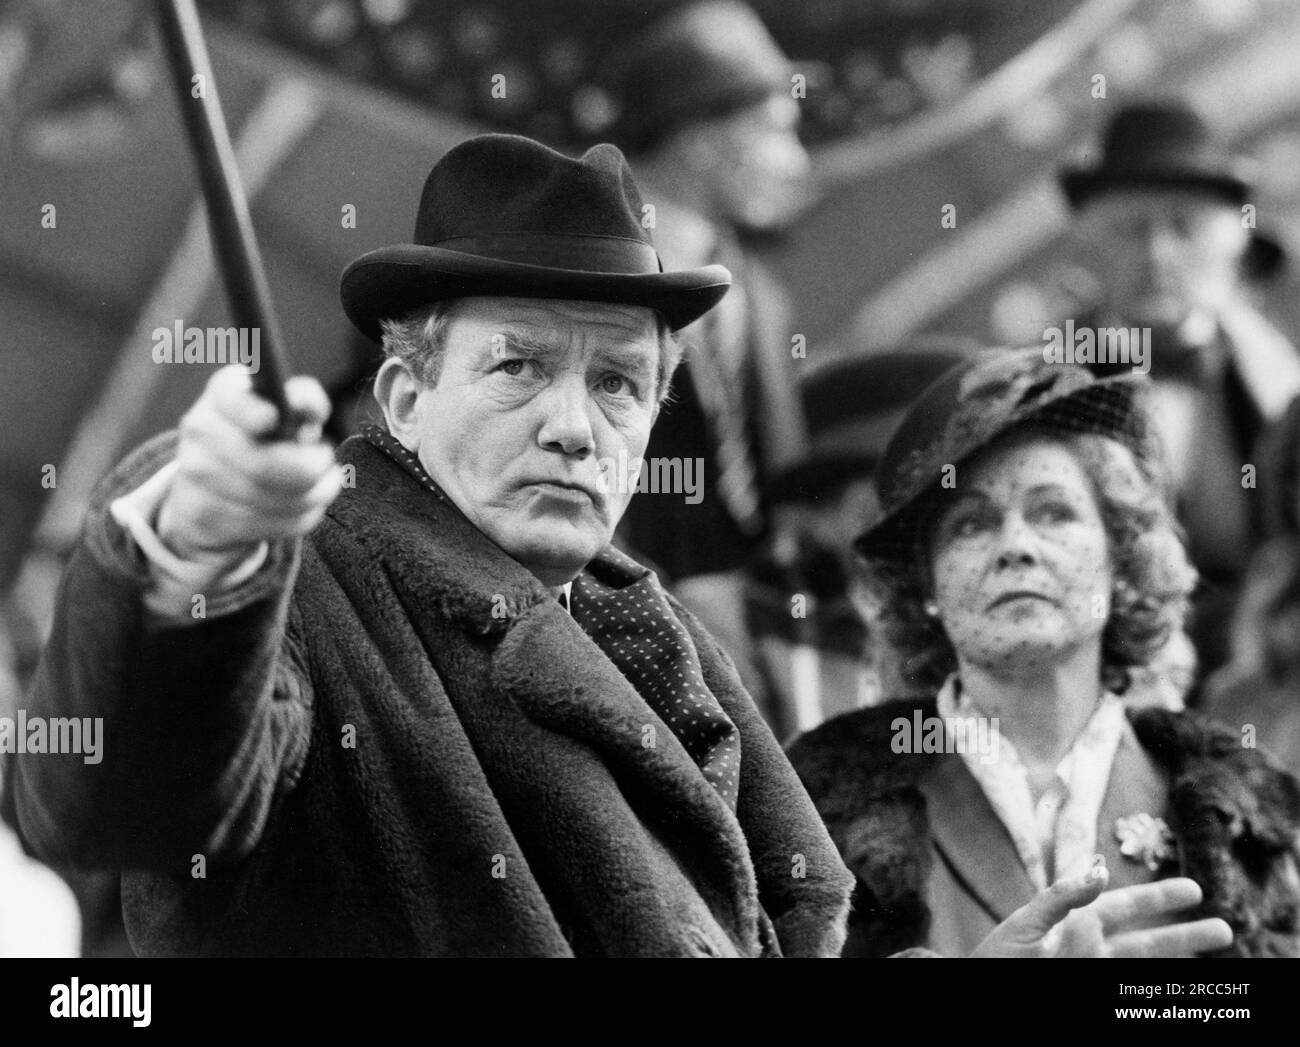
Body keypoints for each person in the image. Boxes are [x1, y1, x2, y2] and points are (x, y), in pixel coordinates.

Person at [11, 134, 854, 957]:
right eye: (518, 366)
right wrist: (200, 548)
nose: (572, 428)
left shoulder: (668, 639)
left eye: (617, 383)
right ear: (406, 398)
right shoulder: (303, 585)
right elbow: (115, 804)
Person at [788, 348, 1300, 957]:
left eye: (1054, 512)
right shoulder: (818, 804)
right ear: (925, 588)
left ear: (1120, 562)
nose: (1016, 546)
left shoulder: (1239, 808)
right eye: (971, 525)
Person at [594, 2, 812, 699]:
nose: (797, 161)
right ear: (698, 139)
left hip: (757, 650)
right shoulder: (583, 272)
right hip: (621, 639)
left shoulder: (762, 294)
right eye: (777, 132)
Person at [1059, 100, 1300, 678]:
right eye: (1129, 230)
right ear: (1090, 245)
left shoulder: (1279, 376)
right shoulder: (1051, 391)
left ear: (1235, 242)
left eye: (1183, 227)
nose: (1156, 254)